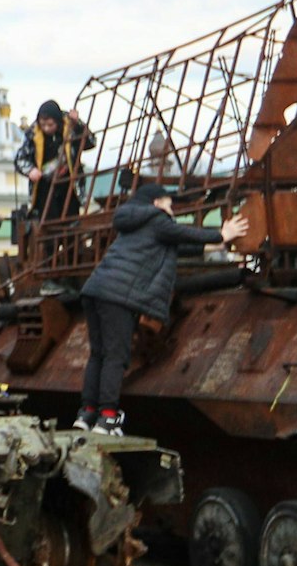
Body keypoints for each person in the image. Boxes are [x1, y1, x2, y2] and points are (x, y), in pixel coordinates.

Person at [75, 184, 248, 434]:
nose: (172, 210)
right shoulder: (157, 219)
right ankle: (108, 418)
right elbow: (185, 234)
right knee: (116, 357)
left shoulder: (135, 224)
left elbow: (177, 244)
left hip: (94, 291)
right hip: (117, 296)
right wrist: (221, 234)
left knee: (99, 354)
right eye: (169, 204)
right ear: (156, 203)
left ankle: (86, 414)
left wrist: (215, 246)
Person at [14, 100, 94, 221]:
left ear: (57, 121)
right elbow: (20, 158)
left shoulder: (70, 126)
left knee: (71, 221)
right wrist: (30, 170)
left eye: (50, 125)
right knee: (49, 221)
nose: (46, 128)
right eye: (43, 124)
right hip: (45, 186)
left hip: (70, 185)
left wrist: (77, 124)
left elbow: (90, 142)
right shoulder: (33, 133)